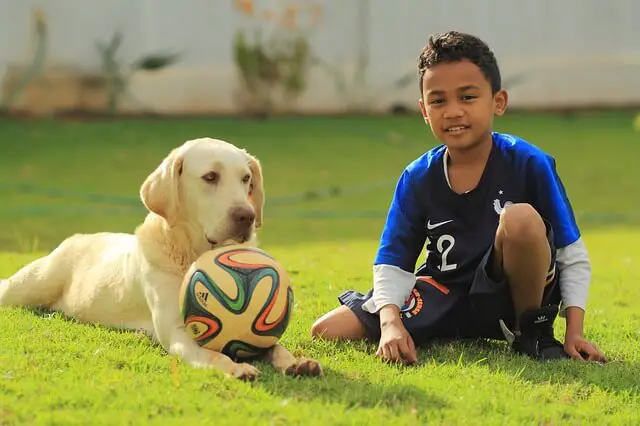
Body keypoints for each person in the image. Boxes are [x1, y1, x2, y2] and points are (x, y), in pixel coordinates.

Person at [310, 31, 607, 364]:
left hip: (509, 298)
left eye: (467, 97)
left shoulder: (529, 162)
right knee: (327, 329)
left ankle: (530, 335)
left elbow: (571, 252)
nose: (452, 111)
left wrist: (574, 332)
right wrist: (391, 323)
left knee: (520, 218)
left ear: (498, 101)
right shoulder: (418, 176)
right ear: (424, 110)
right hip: (445, 291)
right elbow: (393, 260)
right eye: (439, 101)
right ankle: (448, 327)